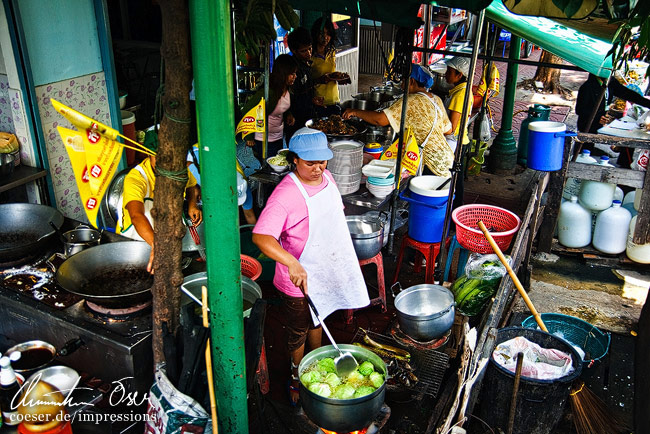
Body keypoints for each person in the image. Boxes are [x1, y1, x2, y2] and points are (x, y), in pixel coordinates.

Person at [252, 127, 369, 405]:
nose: (318, 168)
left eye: (322, 161)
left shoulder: (327, 177)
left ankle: (314, 364)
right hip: (297, 275)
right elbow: (261, 236)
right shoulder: (286, 194)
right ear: (294, 160)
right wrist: (291, 261)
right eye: (310, 163)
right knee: (298, 330)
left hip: (324, 267)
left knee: (320, 316)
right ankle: (296, 376)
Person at [342, 64, 454, 177]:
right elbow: (448, 130)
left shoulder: (410, 101)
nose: (401, 85)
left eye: (404, 81)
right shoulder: (436, 100)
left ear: (412, 81)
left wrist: (354, 112)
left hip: (430, 163)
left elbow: (380, 120)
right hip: (445, 157)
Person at [117, 137, 202, 272]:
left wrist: (192, 204)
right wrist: (156, 245)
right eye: (159, 157)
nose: (165, 164)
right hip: (135, 243)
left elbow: (191, 186)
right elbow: (136, 215)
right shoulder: (136, 179)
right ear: (149, 154)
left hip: (165, 240)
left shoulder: (178, 170)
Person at [576, 73, 650, 167]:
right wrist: (596, 117)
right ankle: (578, 164)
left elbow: (627, 94)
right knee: (584, 146)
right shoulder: (587, 87)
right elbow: (579, 110)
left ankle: (623, 164)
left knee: (591, 145)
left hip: (600, 121)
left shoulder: (610, 81)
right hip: (587, 123)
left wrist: (647, 103)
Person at [241, 54, 298, 158]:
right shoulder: (267, 92)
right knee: (269, 167)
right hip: (264, 140)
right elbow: (246, 110)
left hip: (278, 137)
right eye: (292, 74)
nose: (295, 77)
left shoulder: (288, 90)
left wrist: (288, 115)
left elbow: (281, 107)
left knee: (278, 163)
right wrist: (248, 136)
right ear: (283, 74)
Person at [286, 27, 324, 139]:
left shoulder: (307, 65)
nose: (308, 53)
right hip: (295, 120)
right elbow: (291, 96)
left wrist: (312, 100)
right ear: (293, 50)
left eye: (310, 49)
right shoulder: (291, 69)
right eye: (304, 51)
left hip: (308, 116)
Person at [311, 18, 347, 117]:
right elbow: (306, 83)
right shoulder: (310, 56)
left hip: (334, 100)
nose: (325, 37)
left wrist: (340, 78)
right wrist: (321, 79)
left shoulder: (332, 52)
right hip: (319, 103)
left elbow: (332, 73)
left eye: (328, 34)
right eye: (322, 34)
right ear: (315, 34)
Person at [443, 56, 474, 152]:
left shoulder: (460, 95)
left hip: (455, 143)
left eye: (449, 72)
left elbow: (452, 128)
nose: (445, 74)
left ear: (459, 75)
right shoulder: (462, 90)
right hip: (457, 141)